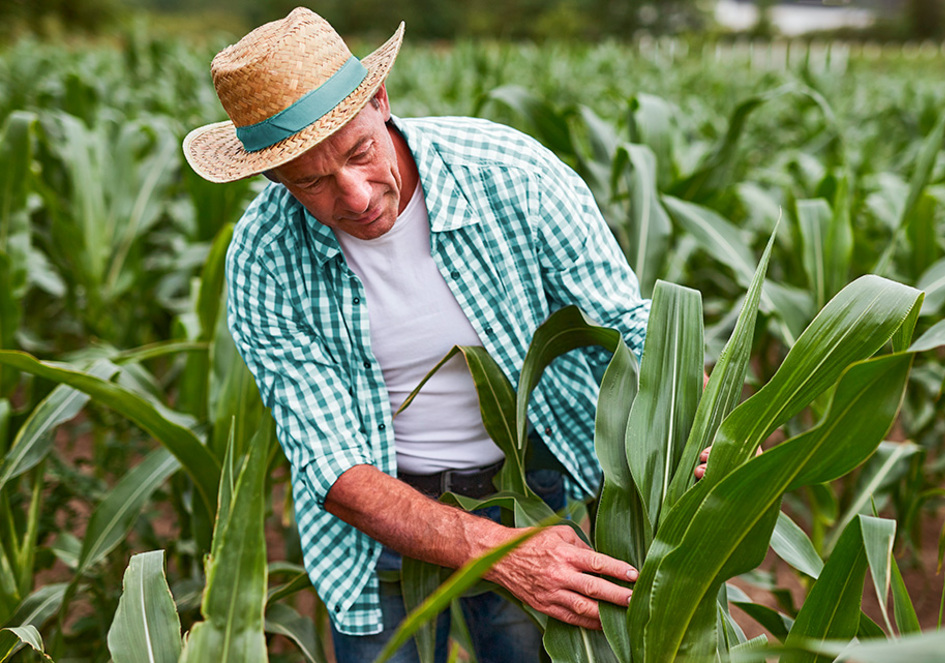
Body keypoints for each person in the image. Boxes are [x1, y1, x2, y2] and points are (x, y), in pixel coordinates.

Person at [183, 7, 653, 661]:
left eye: (359, 152)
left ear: (379, 100)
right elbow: (331, 461)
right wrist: (496, 554)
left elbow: (630, 328)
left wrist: (690, 420)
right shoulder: (264, 259)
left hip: (523, 487)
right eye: (312, 182)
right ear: (270, 174)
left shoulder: (513, 178)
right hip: (379, 514)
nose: (355, 196)